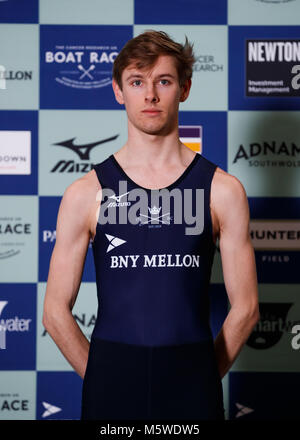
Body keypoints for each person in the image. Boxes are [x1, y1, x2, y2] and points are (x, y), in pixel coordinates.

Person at [42, 30, 260, 421]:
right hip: (111, 384)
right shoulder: (85, 192)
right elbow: (55, 311)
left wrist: (201, 376)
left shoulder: (222, 190)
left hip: (192, 383)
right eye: (137, 82)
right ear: (118, 91)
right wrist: (102, 376)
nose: (151, 95)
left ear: (185, 89)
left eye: (164, 81)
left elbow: (245, 309)